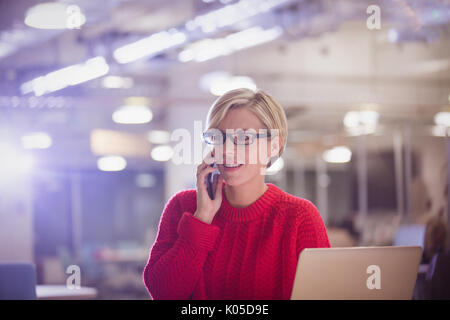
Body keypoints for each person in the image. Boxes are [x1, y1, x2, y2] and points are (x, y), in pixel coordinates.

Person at [143, 88, 330, 300]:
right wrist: (202, 218)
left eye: (244, 138)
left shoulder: (299, 217)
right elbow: (162, 293)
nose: (227, 149)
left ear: (273, 147)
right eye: (218, 137)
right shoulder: (183, 207)